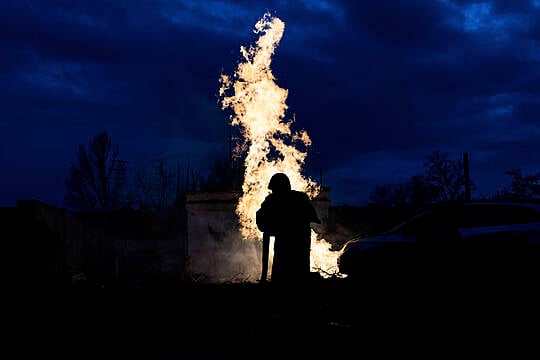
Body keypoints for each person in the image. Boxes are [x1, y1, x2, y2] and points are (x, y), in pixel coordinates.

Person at [256, 172, 321, 288]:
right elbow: (313, 217)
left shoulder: (272, 199)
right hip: (301, 240)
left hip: (289, 241)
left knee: (282, 273)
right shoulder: (301, 197)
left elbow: (261, 220)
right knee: (300, 271)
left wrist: (272, 226)